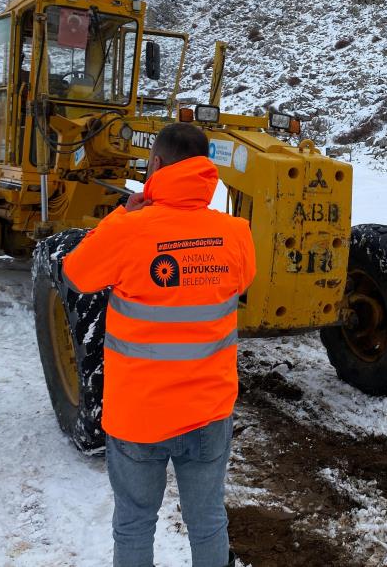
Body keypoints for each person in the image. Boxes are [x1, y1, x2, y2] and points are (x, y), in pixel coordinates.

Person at [62, 122, 255, 567]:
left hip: (139, 416)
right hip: (208, 412)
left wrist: (122, 215)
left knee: (134, 522)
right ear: (207, 168)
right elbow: (240, 280)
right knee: (207, 520)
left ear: (156, 165)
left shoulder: (130, 230)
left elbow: (76, 274)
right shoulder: (236, 233)